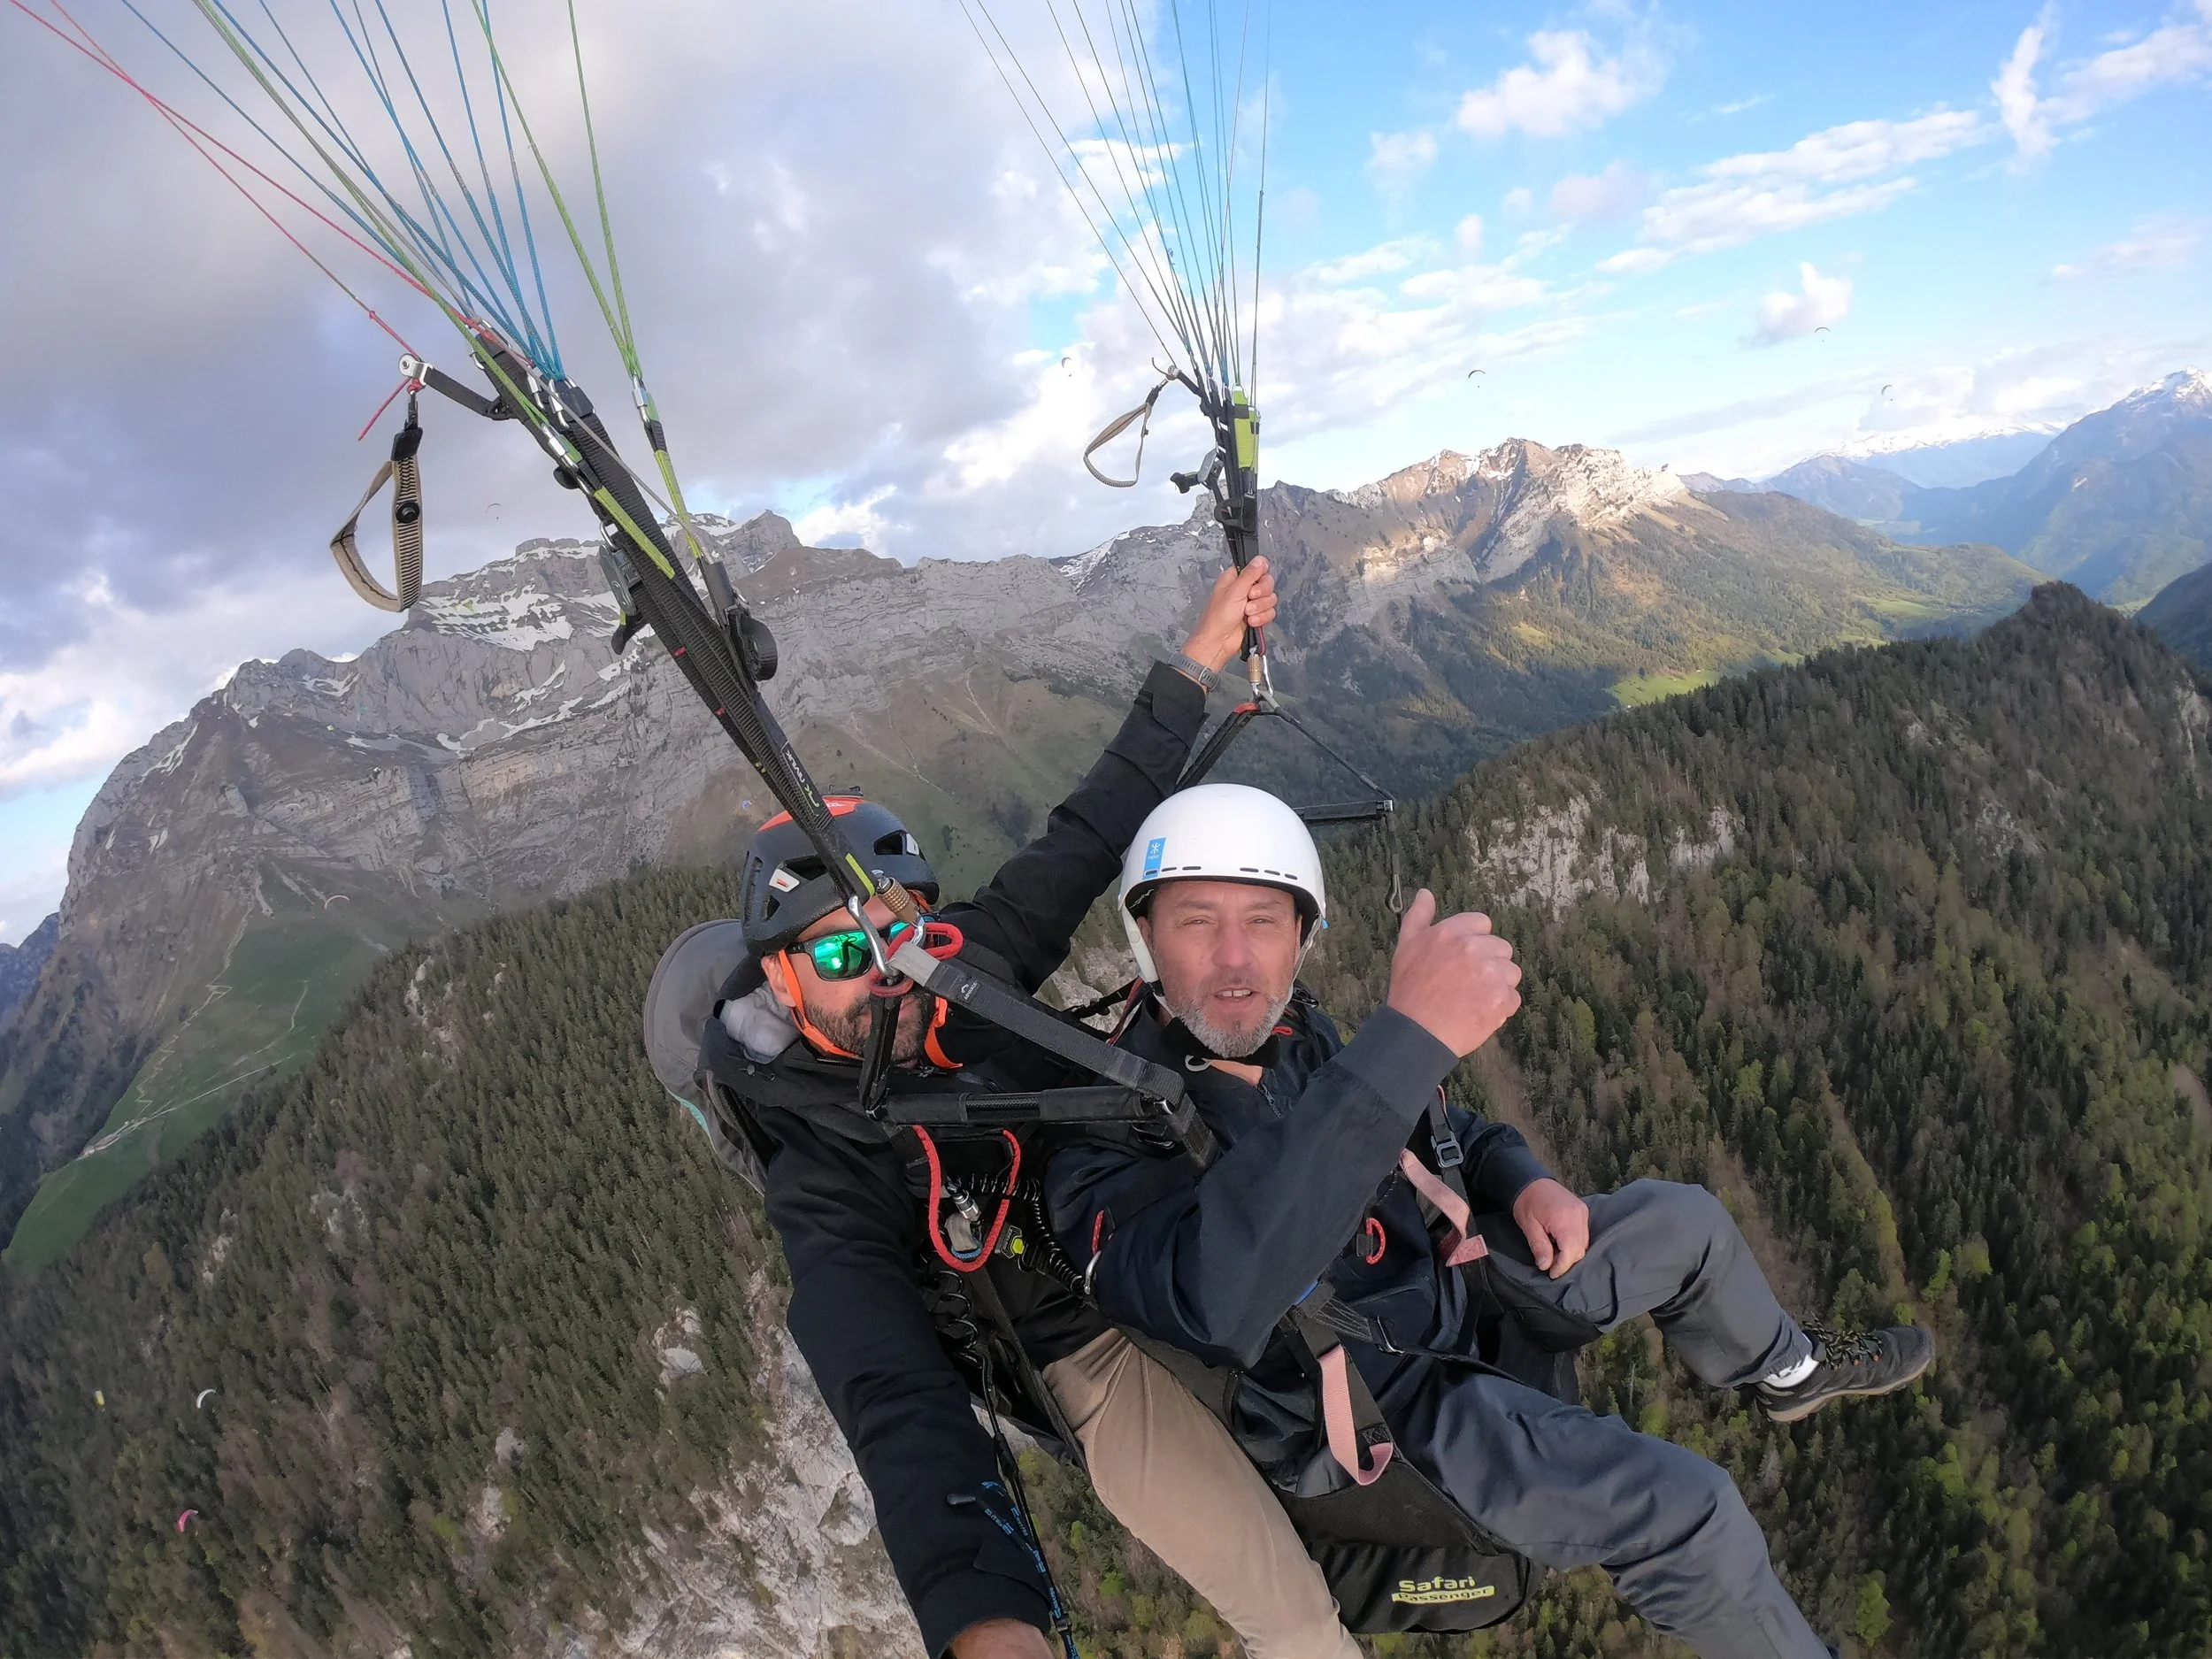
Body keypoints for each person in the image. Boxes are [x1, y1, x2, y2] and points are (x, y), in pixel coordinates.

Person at [1045, 784, 1937, 1659]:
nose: (1235, 960)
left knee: (1687, 1222)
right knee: (1690, 1512)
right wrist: (1404, 1036)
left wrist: (1523, 1180)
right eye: (1197, 920)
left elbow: (1438, 1123)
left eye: (1265, 922)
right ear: (1145, 936)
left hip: (1449, 1286)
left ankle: (1785, 1370)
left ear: (1302, 940)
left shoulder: (1295, 1036)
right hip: (1392, 1411)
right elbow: (1215, 1291)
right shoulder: (1106, 1135)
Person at [666, 563, 1364, 1659]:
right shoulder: (824, 1167)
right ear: (782, 981)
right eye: (843, 952)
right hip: (1081, 1348)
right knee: (1294, 1618)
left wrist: (1197, 659)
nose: (884, 970)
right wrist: (988, 1628)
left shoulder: (961, 973)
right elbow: (893, 1394)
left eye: (897, 933)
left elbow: (1085, 834)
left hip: (1142, 1190)